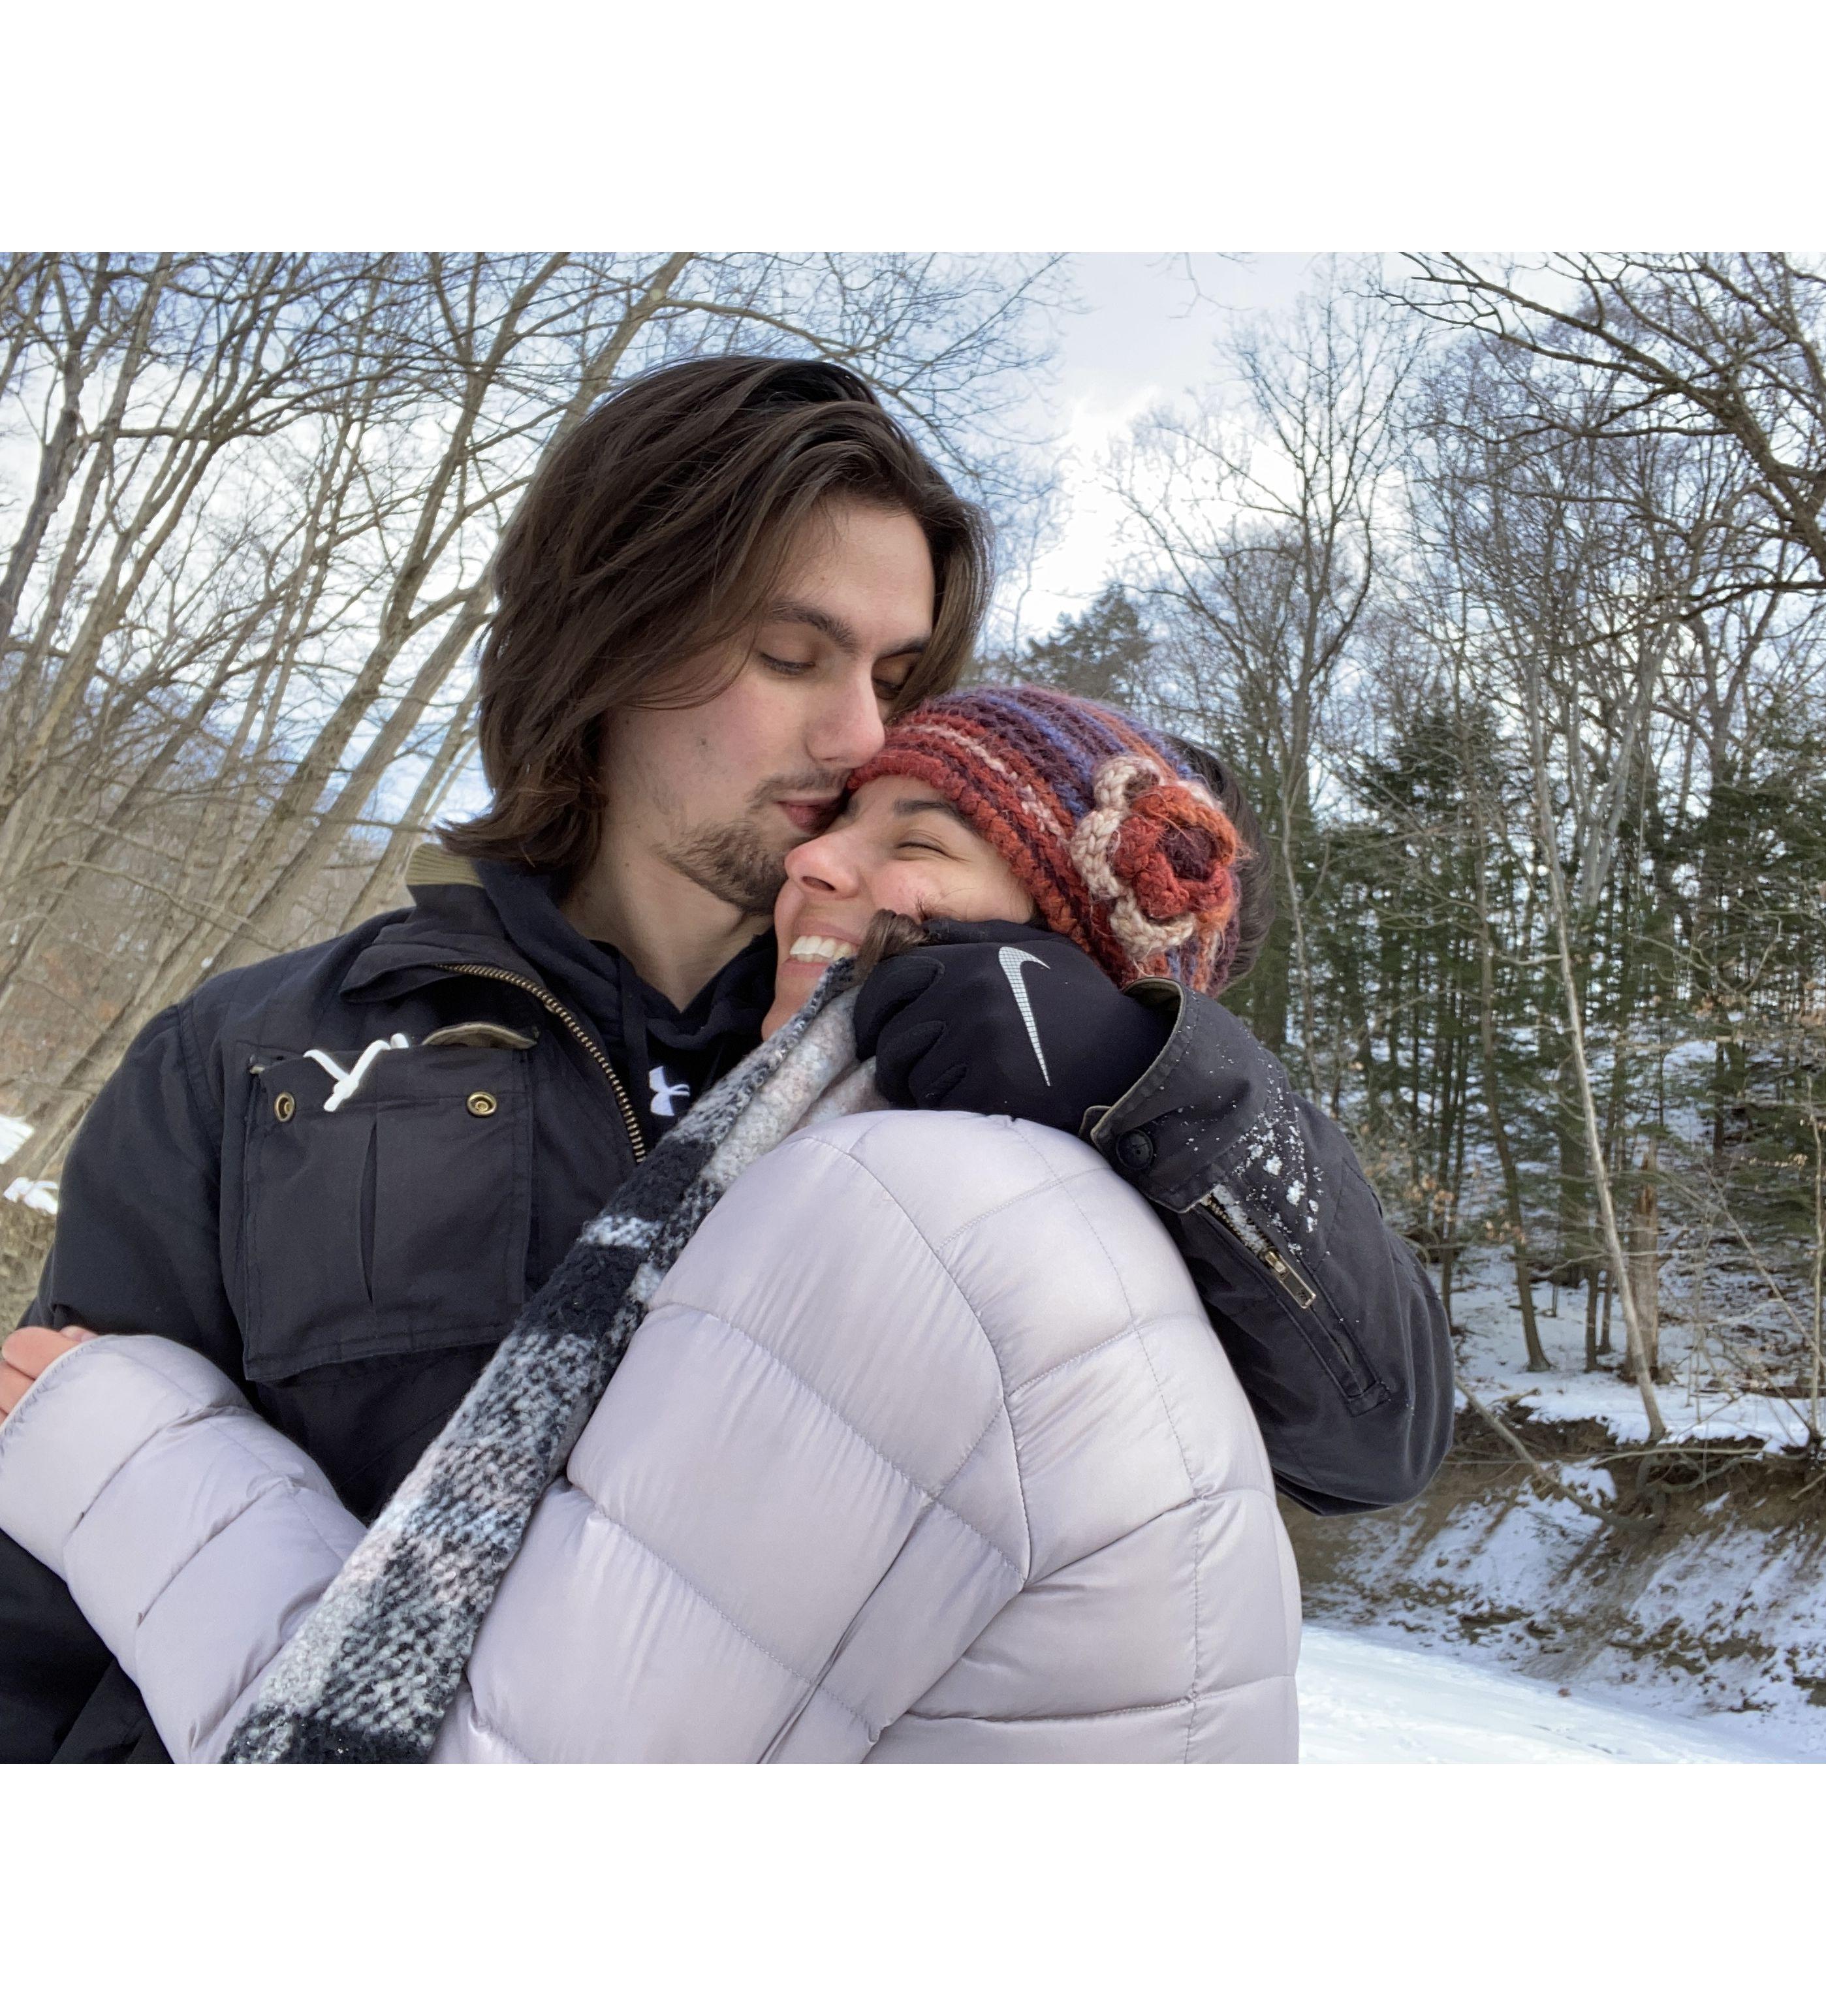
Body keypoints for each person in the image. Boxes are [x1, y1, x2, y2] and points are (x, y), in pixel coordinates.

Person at [0, 358, 1451, 1763]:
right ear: (605, 642)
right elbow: (53, 1623)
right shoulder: (256, 1060)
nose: (859, 732)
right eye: (789, 653)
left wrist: (1142, 1072)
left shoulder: (968, 1055)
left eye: (895, 671)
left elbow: (1372, 1437)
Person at [1, 690, 1302, 1761]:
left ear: (1051, 953)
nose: (812, 856)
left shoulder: (910, 1216)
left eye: (916, 843)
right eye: (842, 819)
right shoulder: (1071, 1210)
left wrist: (127, 1449)